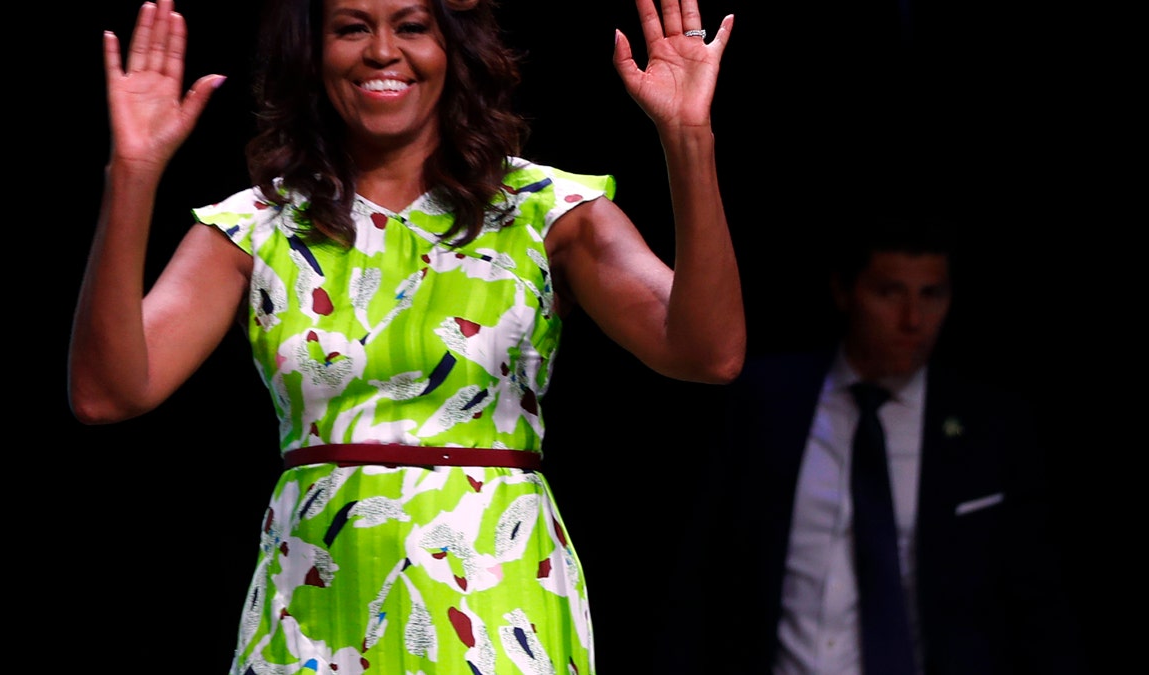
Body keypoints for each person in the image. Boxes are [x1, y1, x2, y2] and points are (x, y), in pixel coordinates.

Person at [68, 0, 744, 673]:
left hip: (497, 603)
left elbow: (707, 353)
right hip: (313, 617)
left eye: (412, 26)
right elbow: (108, 392)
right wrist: (133, 171)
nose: (383, 50)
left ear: (454, 48)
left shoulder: (544, 210)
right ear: (313, 50)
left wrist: (688, 138)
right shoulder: (258, 225)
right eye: (352, 27)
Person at [693, 218, 1088, 674]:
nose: (912, 320)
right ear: (845, 292)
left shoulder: (991, 427)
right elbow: (703, 571)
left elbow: (1038, 602)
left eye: (931, 294)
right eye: (889, 293)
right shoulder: (768, 402)